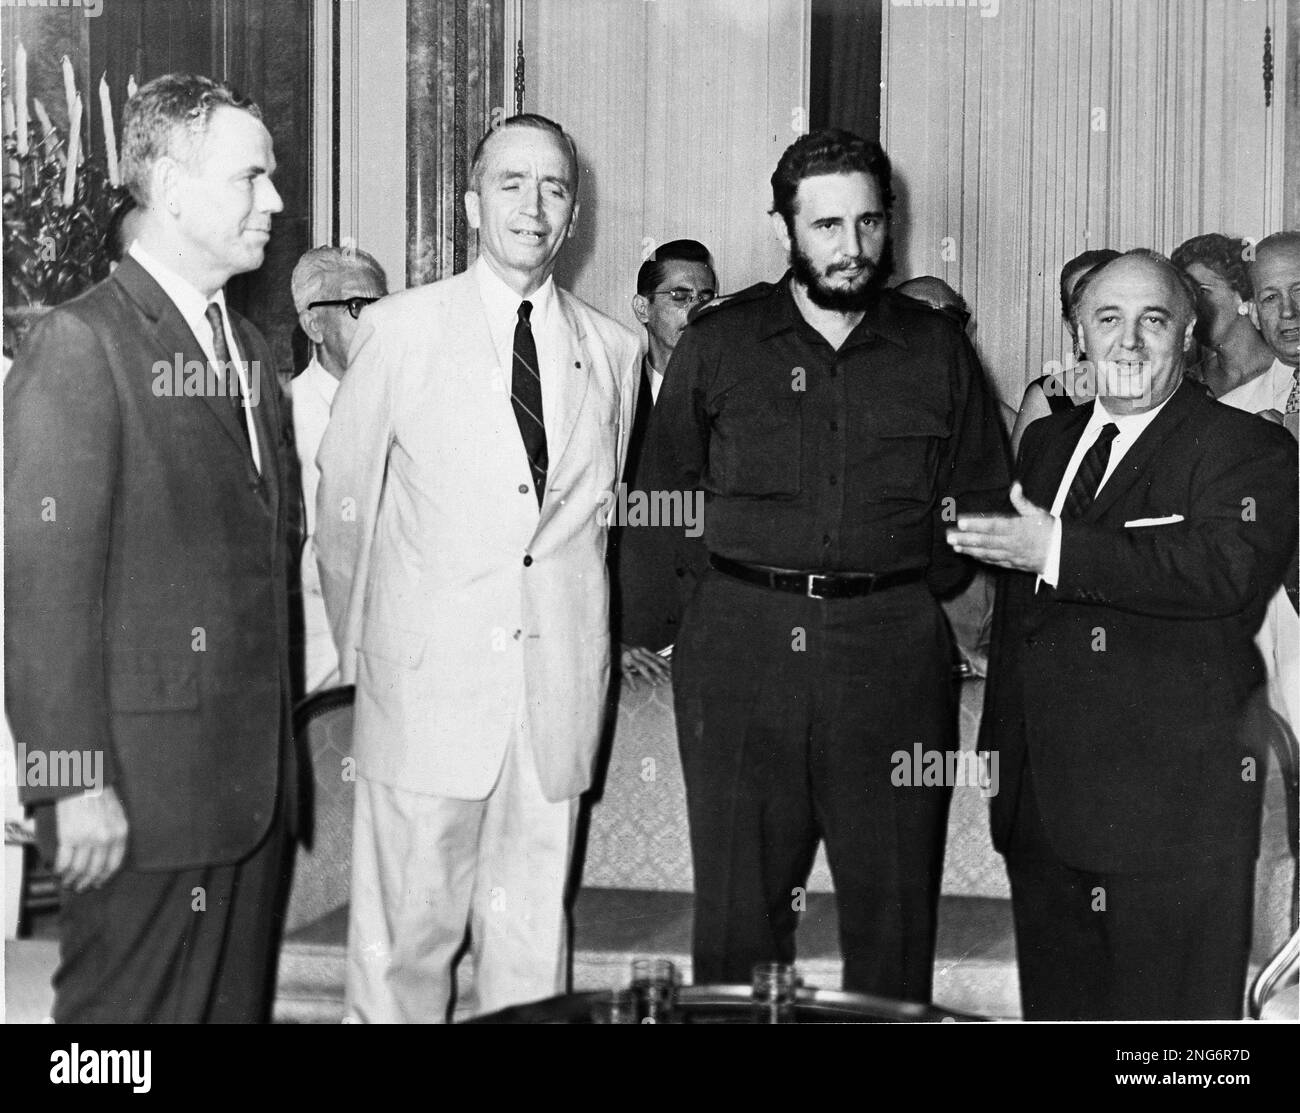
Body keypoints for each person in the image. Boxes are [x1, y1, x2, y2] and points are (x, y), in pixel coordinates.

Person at [621, 128, 1010, 1000]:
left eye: (869, 224)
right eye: (827, 225)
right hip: (741, 647)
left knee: (894, 906)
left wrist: (931, 597)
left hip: (892, 648)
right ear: (783, 228)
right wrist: (679, 629)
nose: (852, 246)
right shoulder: (718, 345)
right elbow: (660, 496)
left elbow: (980, 499)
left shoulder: (935, 348)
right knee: (738, 910)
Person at [315, 113, 641, 1022]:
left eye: (555, 188)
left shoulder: (617, 352)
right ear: (469, 204)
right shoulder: (398, 330)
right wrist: (375, 662)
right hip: (423, 702)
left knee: (533, 961)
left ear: (574, 214)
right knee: (402, 963)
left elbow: (590, 535)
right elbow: (344, 514)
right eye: (511, 184)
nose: (533, 207)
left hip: (554, 705)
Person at [4, 73, 297, 1023]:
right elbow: (42, 592)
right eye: (251, 177)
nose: (276, 201)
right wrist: (70, 781)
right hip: (136, 806)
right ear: (172, 189)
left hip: (247, 802)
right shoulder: (81, 345)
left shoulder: (249, 349)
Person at [949, 250, 1298, 1020]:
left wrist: (1058, 549)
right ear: (1079, 335)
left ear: (1190, 334)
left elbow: (1220, 571)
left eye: (1154, 320)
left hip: (1172, 819)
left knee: (1166, 1059)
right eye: (1108, 319)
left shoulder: (1252, 449)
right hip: (1039, 808)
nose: (1130, 342)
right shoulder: (1044, 446)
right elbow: (1020, 620)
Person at [288, 244, 388, 695]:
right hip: (317, 669)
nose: (374, 323)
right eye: (354, 307)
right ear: (313, 324)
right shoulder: (284, 417)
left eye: (380, 306)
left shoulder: (407, 409)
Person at [616, 238, 717, 684]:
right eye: (680, 297)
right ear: (642, 308)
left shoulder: (738, 401)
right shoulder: (609, 395)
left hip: (716, 640)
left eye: (706, 298)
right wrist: (607, 639)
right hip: (631, 639)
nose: (695, 310)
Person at [1215, 231, 1300, 734]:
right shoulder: (1230, 416)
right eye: (1270, 297)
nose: (1288, 311)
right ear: (1251, 308)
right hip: (1272, 656)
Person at [1009, 249, 1121, 457]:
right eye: (1080, 308)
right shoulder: (1050, 394)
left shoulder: (1166, 387)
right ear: (1070, 325)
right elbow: (1020, 485)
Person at [1171, 232, 1274, 398]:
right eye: (1187, 295)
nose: (1192, 304)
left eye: (1202, 291)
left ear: (1242, 295)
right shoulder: (1189, 382)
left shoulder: (1289, 376)